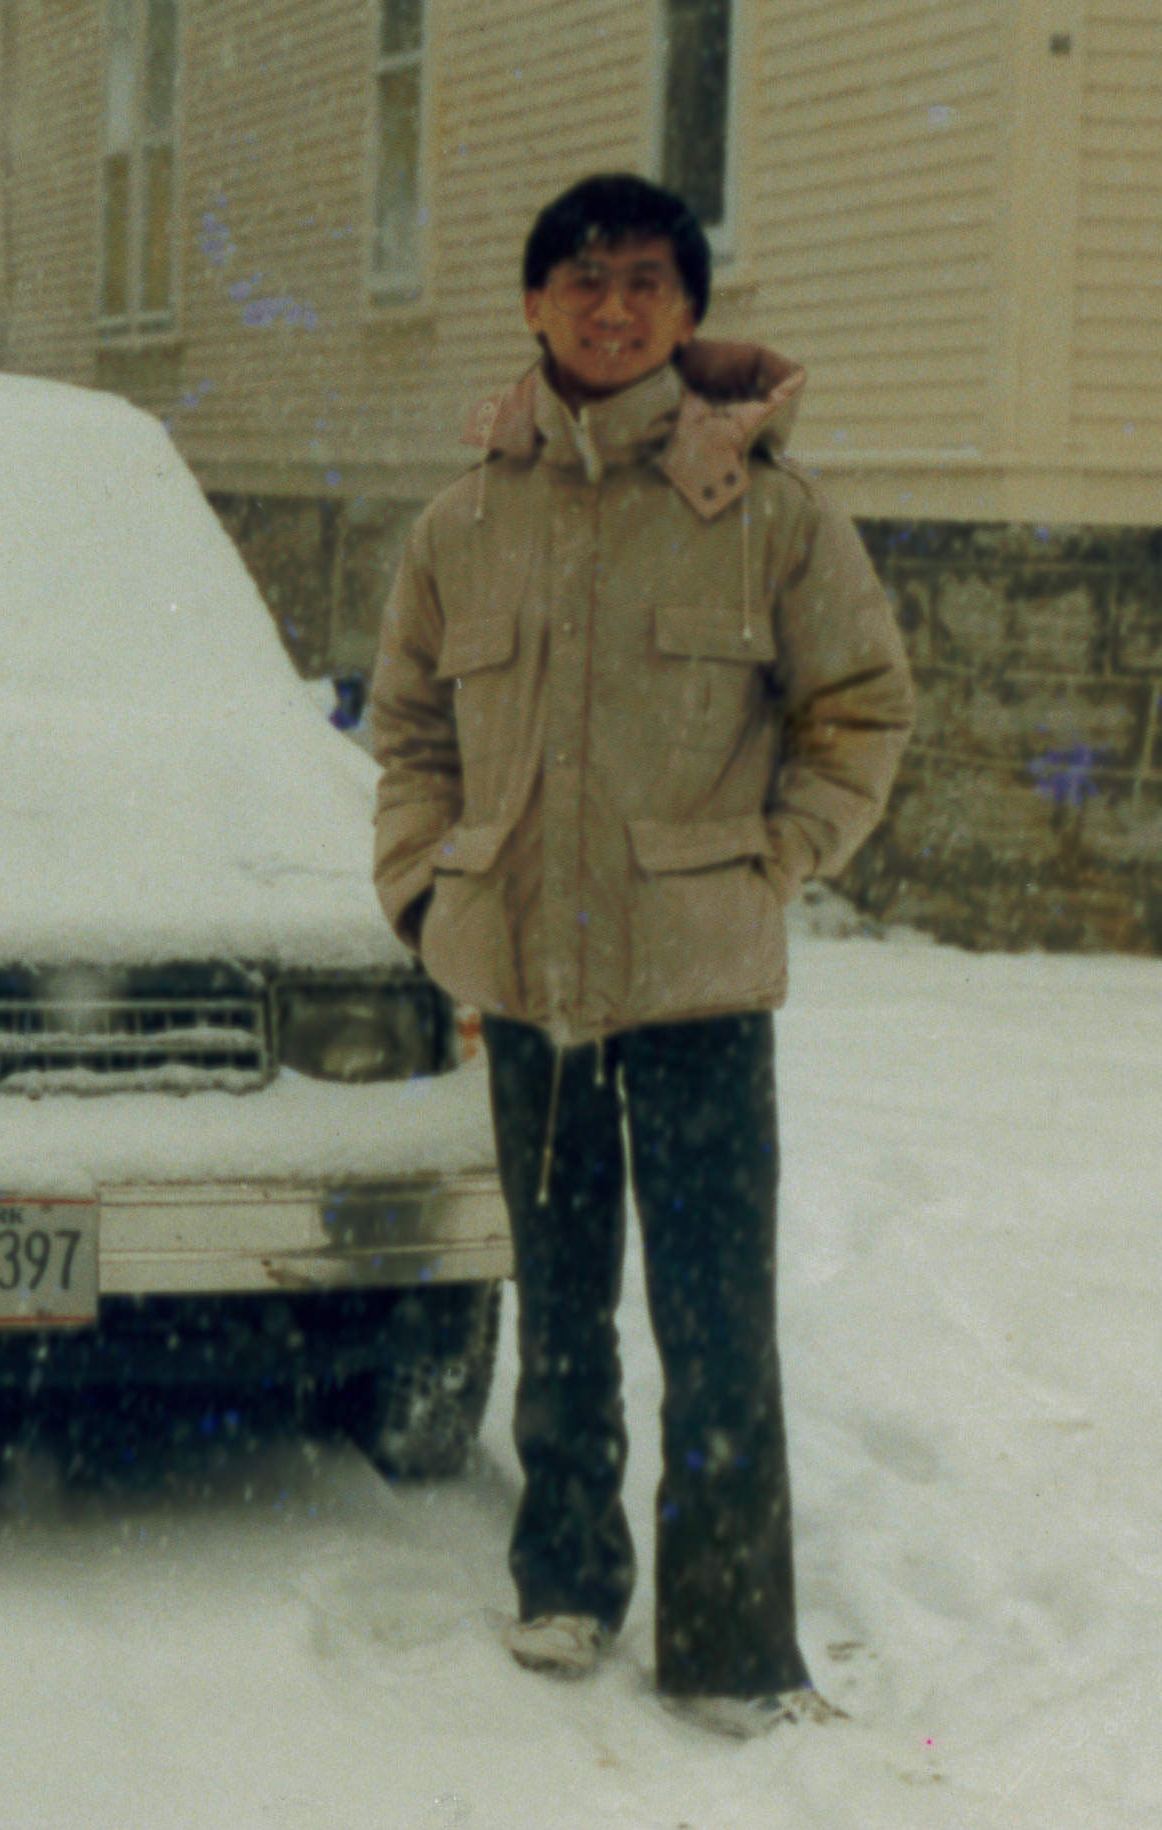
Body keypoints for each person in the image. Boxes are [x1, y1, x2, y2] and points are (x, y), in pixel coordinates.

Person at [366, 173, 913, 1738]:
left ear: (689, 313)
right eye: (586, 280)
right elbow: (409, 731)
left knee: (717, 1316)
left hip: (697, 986)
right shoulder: (463, 522)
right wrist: (426, 890)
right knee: (560, 1298)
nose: (615, 309)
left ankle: (737, 1642)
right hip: (528, 978)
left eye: (649, 285)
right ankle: (564, 1576)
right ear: (534, 304)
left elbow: (860, 708)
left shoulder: (767, 513)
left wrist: (777, 856)